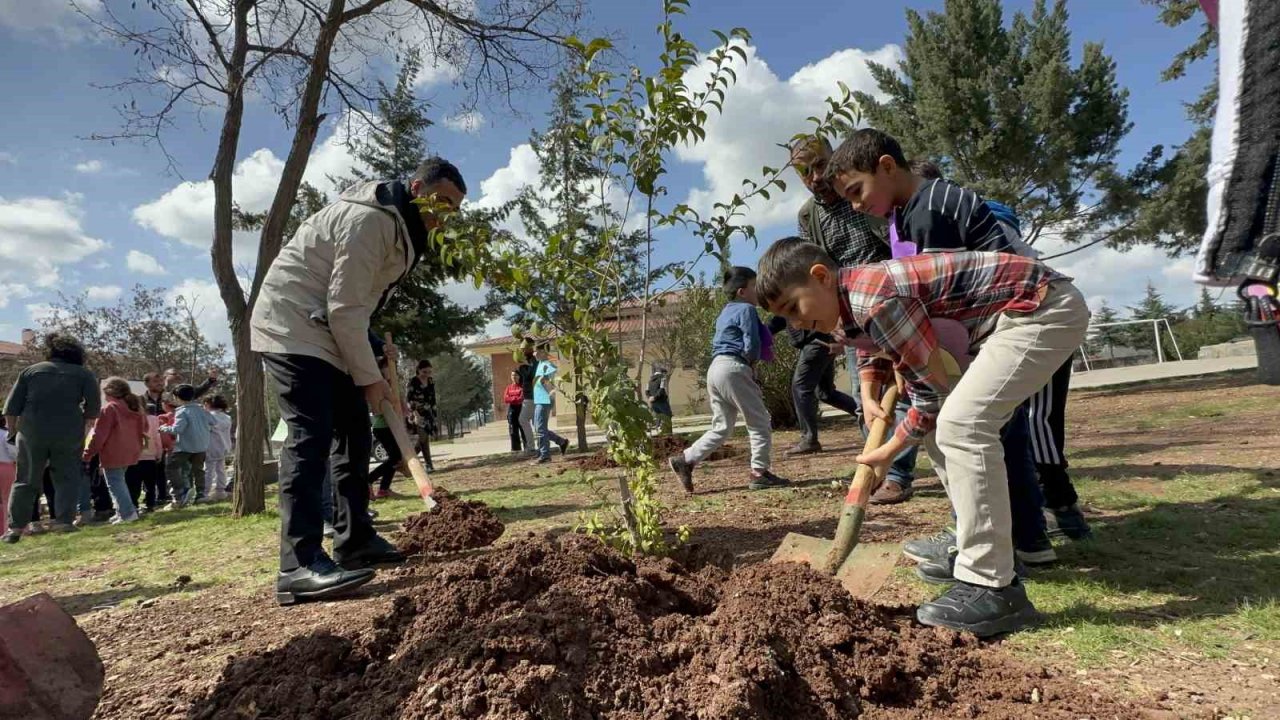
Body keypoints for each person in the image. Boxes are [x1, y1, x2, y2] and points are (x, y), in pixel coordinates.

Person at [758, 238, 1089, 636]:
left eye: (794, 307)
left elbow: (929, 394)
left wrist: (890, 451)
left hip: (1040, 308)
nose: (794, 323)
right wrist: (867, 390)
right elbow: (870, 342)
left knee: (961, 424)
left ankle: (992, 585)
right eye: (784, 316)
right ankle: (984, 552)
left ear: (821, 277)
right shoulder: (848, 303)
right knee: (942, 432)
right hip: (1006, 320)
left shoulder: (875, 297)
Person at [827, 128, 1058, 566]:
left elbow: (938, 307)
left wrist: (912, 372)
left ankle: (981, 540)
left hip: (1005, 323)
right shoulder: (911, 211)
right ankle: (1025, 540)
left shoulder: (929, 210)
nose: (856, 205)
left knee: (961, 432)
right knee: (996, 434)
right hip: (997, 329)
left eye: (857, 190)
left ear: (887, 167)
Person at [250, 156, 465, 605]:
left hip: (328, 324)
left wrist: (369, 345)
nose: (446, 216)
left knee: (355, 436)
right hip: (294, 327)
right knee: (310, 435)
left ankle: (354, 541)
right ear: (416, 187)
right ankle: (298, 563)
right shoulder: (373, 220)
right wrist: (370, 380)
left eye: (455, 209)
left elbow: (350, 304)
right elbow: (343, 305)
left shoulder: (402, 227)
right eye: (442, 202)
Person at [668, 267, 789, 493]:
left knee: (722, 426)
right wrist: (752, 367)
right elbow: (751, 343)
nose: (759, 291)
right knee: (760, 420)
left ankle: (685, 459)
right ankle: (759, 473)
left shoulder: (725, 311)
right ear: (743, 291)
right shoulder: (747, 309)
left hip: (716, 369)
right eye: (755, 286)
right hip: (734, 367)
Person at [2, 333, 101, 543]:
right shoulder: (84, 374)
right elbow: (92, 411)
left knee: (25, 479)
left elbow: (11, 408)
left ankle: (15, 528)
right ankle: (64, 522)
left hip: (32, 430)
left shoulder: (31, 371)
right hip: (68, 431)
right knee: (67, 477)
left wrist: (12, 432)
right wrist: (82, 431)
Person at [83, 377, 147, 524]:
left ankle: (127, 513)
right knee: (120, 482)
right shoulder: (136, 408)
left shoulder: (109, 409)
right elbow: (145, 429)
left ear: (108, 392)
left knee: (115, 484)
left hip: (113, 452)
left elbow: (99, 436)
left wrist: (87, 454)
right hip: (131, 450)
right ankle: (122, 512)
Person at [160, 385, 212, 508]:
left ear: (177, 397)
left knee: (171, 467)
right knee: (198, 470)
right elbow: (213, 421)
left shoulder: (182, 411)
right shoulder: (202, 409)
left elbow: (177, 429)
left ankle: (180, 493)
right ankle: (201, 494)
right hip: (201, 445)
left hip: (185, 446)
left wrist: (163, 428)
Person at [370, 356, 406, 498]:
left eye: (394, 368)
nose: (392, 370)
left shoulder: (391, 384)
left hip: (391, 426)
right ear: (381, 369)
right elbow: (391, 401)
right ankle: (369, 479)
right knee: (395, 458)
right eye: (388, 367)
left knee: (395, 458)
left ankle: (384, 489)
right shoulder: (380, 383)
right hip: (382, 427)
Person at [529, 343, 571, 464]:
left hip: (544, 399)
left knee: (540, 429)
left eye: (536, 351)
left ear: (542, 352)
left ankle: (545, 455)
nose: (534, 354)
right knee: (539, 428)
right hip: (539, 399)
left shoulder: (547, 365)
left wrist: (546, 386)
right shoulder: (541, 364)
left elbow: (547, 380)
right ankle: (561, 442)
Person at [129, 412, 165, 513]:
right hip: (150, 456)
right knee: (150, 484)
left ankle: (134, 505)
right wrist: (159, 453)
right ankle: (150, 504)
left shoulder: (130, 418)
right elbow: (157, 437)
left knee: (133, 484)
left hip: (134, 457)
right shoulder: (154, 419)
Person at [405, 360, 437, 472]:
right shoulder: (412, 382)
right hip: (417, 413)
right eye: (424, 372)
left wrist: (434, 414)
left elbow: (433, 398)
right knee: (422, 439)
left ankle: (428, 465)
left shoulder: (431, 381)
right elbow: (409, 400)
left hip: (428, 414)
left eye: (429, 372)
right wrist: (415, 414)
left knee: (425, 440)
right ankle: (407, 461)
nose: (427, 374)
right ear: (418, 370)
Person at [203, 395, 233, 501]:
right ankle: (220, 491)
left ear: (209, 404)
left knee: (208, 470)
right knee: (220, 469)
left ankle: (205, 493)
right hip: (225, 446)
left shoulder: (209, 416)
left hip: (211, 446)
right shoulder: (226, 417)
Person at [515, 346, 537, 454]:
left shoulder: (534, 362)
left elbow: (530, 375)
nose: (523, 352)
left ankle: (531, 446)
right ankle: (560, 441)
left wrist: (527, 364)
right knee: (537, 424)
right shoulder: (523, 366)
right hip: (529, 397)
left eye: (524, 350)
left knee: (523, 420)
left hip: (532, 397)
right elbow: (524, 376)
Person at [646, 365, 673, 435]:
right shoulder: (662, 378)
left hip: (653, 403)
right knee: (667, 416)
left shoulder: (649, 380)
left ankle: (658, 430)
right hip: (661, 401)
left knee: (658, 417)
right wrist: (655, 397)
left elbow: (647, 391)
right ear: (663, 373)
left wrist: (650, 397)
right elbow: (661, 390)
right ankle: (668, 432)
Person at [503, 370, 526, 452]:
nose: (514, 377)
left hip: (521, 409)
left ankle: (527, 447)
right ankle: (516, 449)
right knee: (513, 431)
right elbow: (506, 399)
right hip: (512, 411)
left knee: (523, 430)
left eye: (516, 375)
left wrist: (512, 398)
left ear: (519, 376)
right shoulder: (508, 387)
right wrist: (515, 399)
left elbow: (521, 398)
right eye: (512, 375)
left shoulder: (522, 387)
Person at [0, 418, 13, 537]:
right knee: (7, 499)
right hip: (6, 467)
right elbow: (13, 452)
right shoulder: (6, 434)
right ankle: (6, 528)